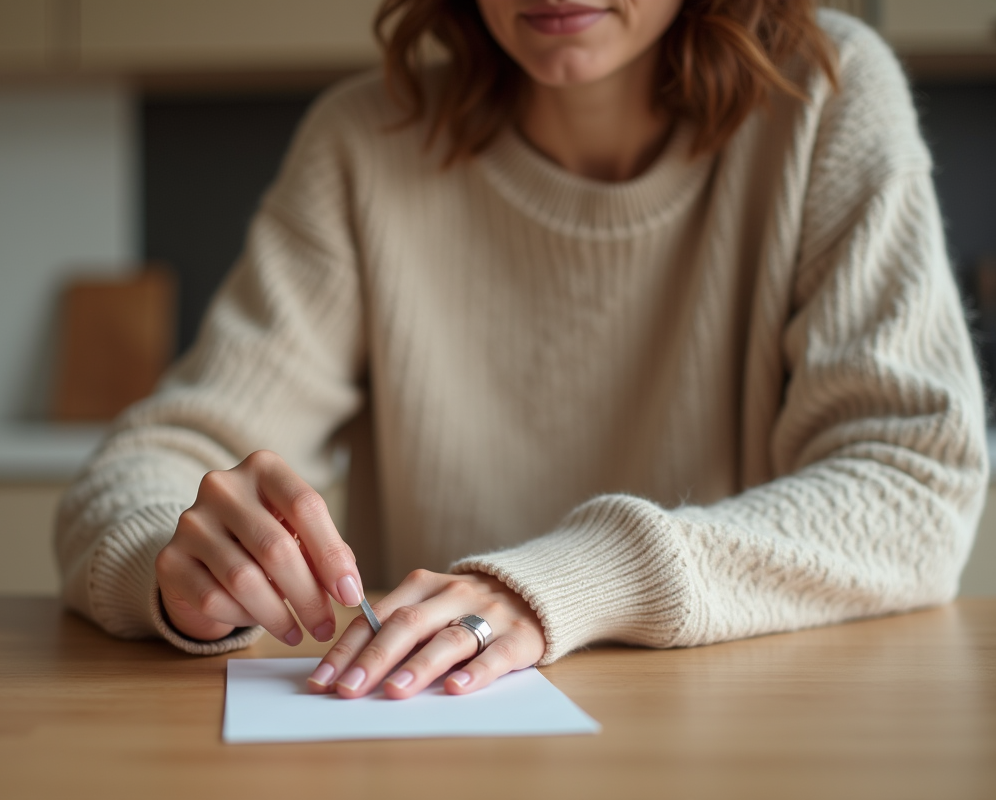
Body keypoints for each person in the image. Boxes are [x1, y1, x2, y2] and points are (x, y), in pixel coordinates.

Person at [55, 0, 988, 701]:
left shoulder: (825, 96)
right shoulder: (363, 144)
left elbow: (913, 486)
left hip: (732, 731)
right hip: (425, 744)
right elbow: (146, 467)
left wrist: (566, 583)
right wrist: (176, 574)